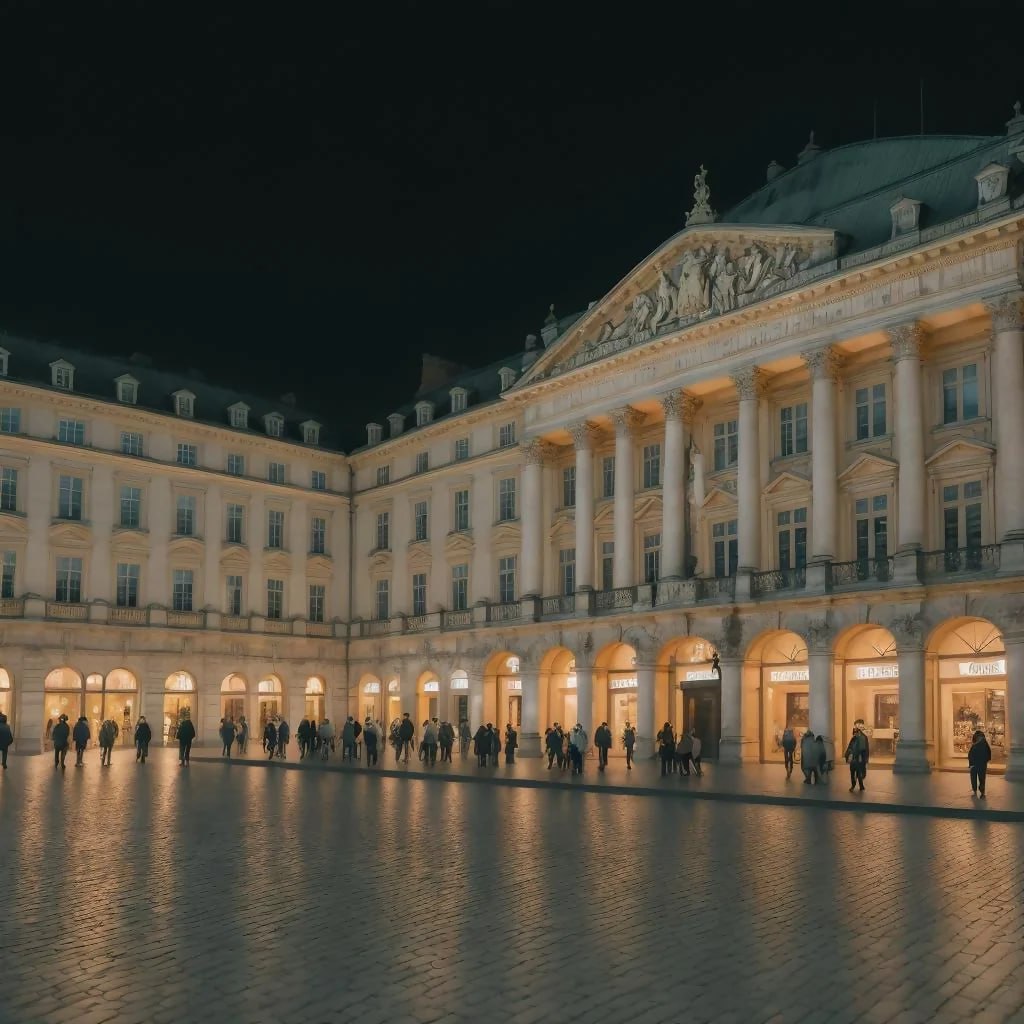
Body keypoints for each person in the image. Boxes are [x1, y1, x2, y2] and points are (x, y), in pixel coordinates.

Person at [844, 725, 870, 792]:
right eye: (854, 733)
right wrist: (847, 754)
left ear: (858, 732)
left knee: (858, 773)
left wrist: (865, 759)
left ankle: (859, 786)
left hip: (858, 759)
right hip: (853, 759)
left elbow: (864, 749)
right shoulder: (853, 739)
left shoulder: (862, 738)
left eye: (856, 733)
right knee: (853, 773)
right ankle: (856, 786)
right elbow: (849, 747)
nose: (855, 734)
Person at [968, 729, 991, 798]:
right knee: (982, 778)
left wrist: (971, 765)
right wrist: (985, 761)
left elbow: (970, 755)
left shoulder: (974, 745)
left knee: (973, 778)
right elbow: (988, 753)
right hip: (982, 764)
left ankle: (975, 791)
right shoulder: (985, 743)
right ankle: (982, 793)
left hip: (974, 764)